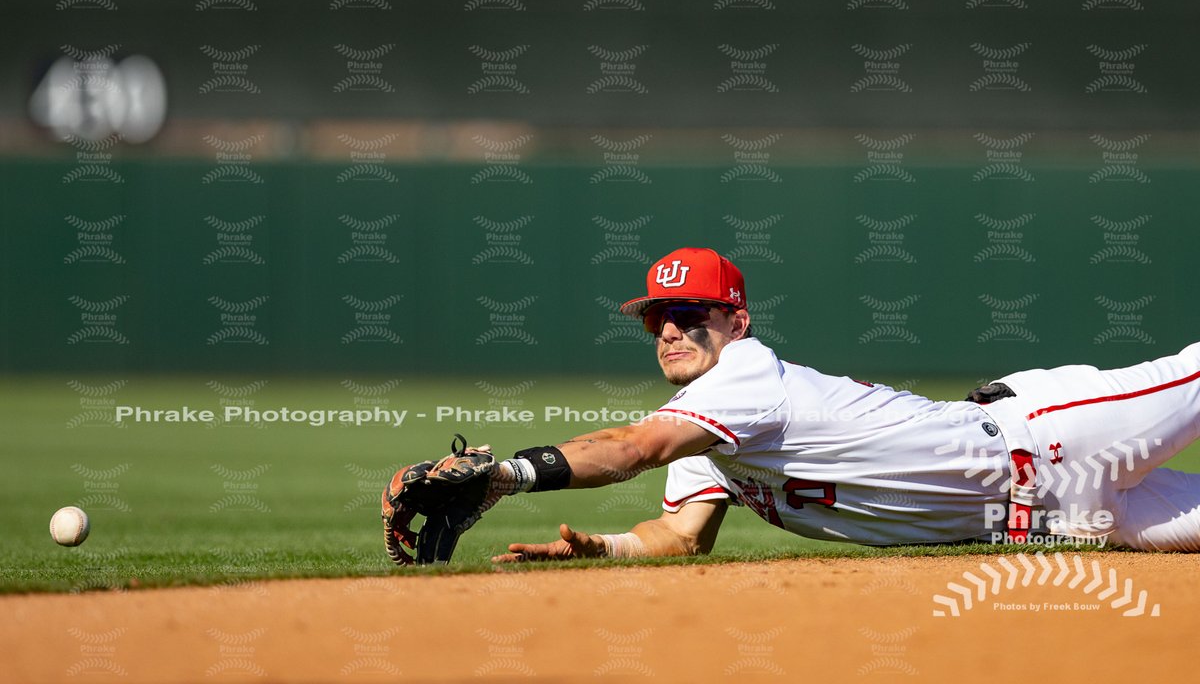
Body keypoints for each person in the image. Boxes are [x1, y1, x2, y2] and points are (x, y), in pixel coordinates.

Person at [386, 247, 1200, 563]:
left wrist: (511, 476)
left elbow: (632, 448)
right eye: (656, 318)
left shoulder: (745, 377)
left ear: (734, 322)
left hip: (1059, 432)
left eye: (690, 314)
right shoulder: (706, 430)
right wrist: (601, 549)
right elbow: (677, 536)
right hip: (1062, 522)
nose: (669, 329)